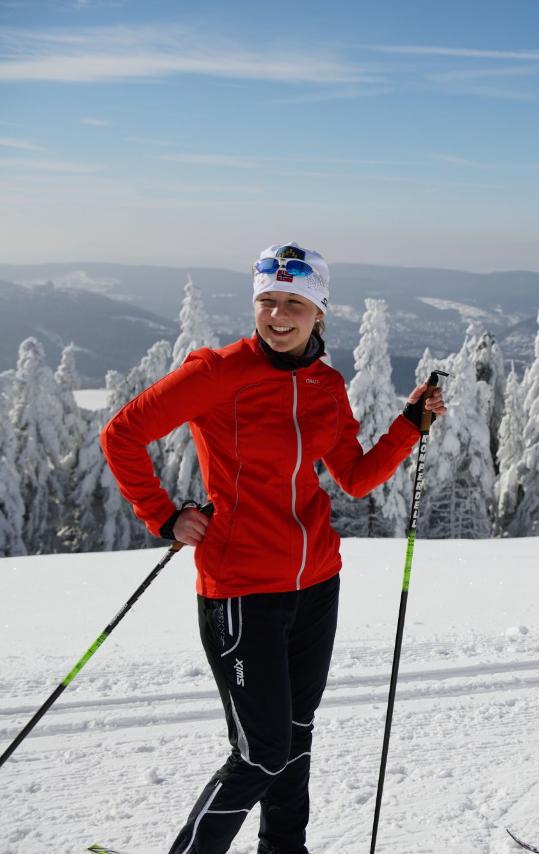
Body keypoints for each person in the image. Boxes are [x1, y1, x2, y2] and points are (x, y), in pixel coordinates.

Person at [101, 242, 446, 854]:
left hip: (316, 583)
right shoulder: (216, 373)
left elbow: (355, 476)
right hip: (240, 589)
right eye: (267, 301)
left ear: (319, 312)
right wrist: (163, 515)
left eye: (295, 303)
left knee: (296, 734)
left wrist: (407, 426)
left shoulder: (324, 384)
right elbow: (121, 434)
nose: (278, 316)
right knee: (261, 755)